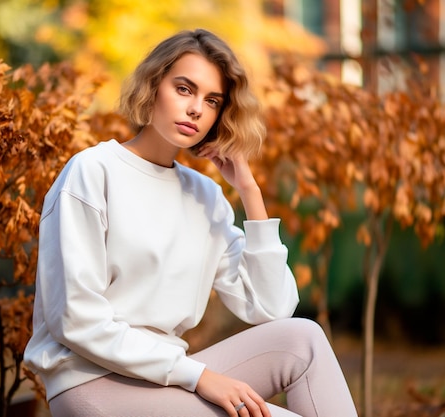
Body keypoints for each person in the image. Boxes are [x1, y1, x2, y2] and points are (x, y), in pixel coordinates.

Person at [23, 28, 358, 417]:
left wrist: (250, 191)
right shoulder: (94, 171)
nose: (197, 108)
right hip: (92, 383)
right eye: (184, 89)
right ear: (153, 86)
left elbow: (272, 308)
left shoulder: (206, 196)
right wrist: (199, 376)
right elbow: (74, 319)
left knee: (304, 338)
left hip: (169, 378)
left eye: (212, 100)